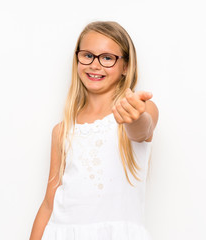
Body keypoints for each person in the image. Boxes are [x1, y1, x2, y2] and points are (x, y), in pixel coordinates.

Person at [30, 21, 159, 240]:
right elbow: (49, 202)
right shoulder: (62, 131)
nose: (95, 65)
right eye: (87, 55)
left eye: (107, 58)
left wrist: (132, 118)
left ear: (126, 66)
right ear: (77, 58)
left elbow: (141, 130)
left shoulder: (140, 109)